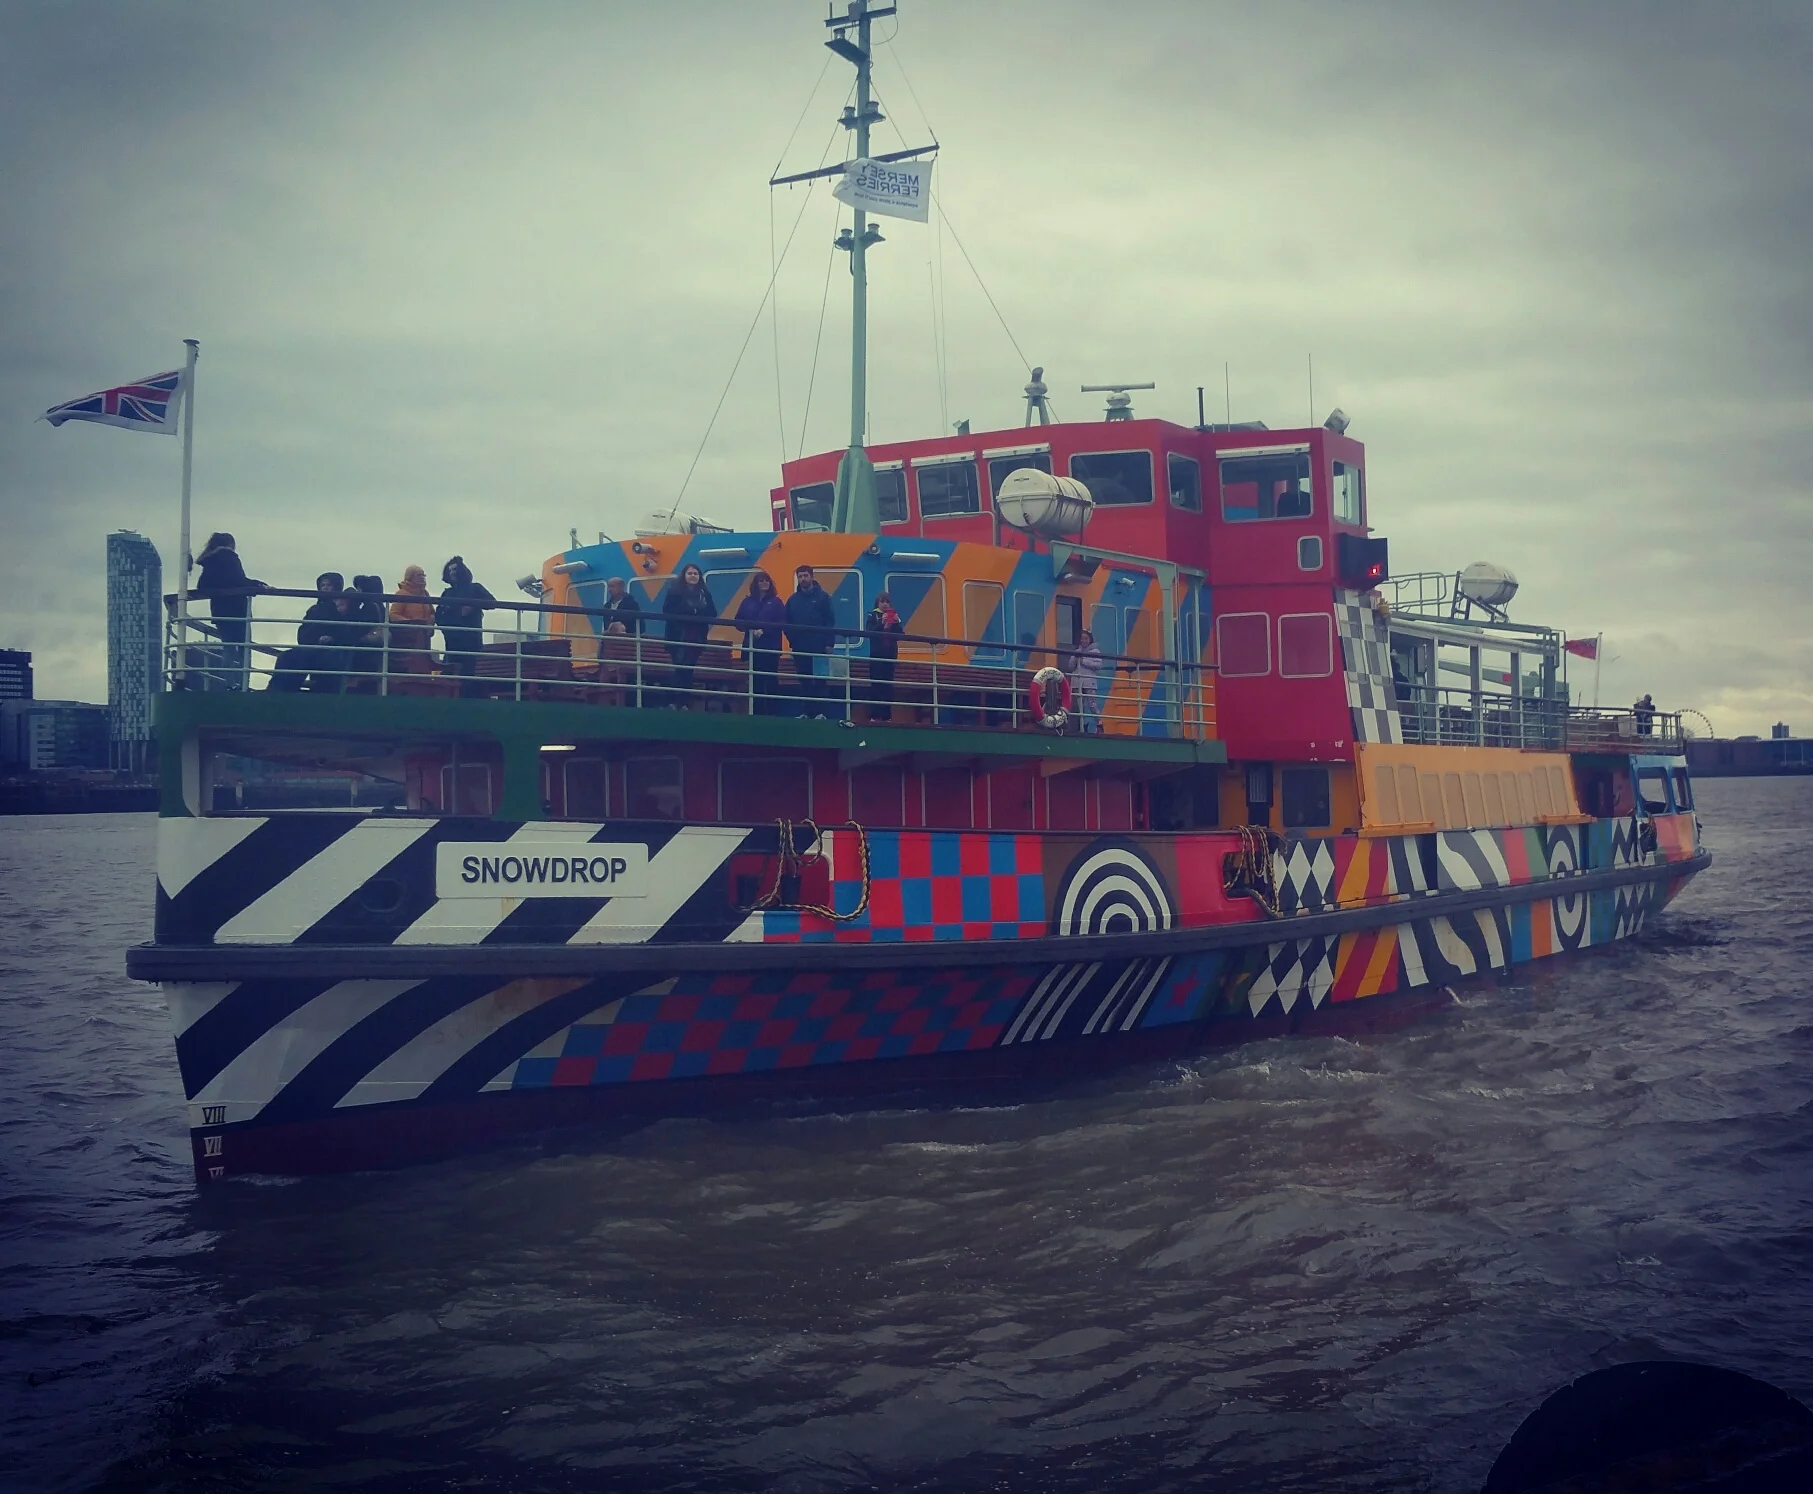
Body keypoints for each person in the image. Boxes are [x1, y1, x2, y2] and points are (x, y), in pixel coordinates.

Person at [192, 532, 267, 689]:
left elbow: (203, 586)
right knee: (244, 649)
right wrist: (257, 585)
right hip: (237, 609)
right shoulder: (230, 557)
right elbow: (238, 580)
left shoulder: (210, 561)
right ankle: (242, 683)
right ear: (231, 544)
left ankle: (230, 683)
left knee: (228, 648)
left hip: (220, 611)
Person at [268, 573, 348, 692]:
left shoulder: (341, 607)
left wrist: (331, 638)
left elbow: (345, 631)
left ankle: (284, 689)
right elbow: (303, 631)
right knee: (286, 656)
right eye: (322, 585)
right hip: (311, 646)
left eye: (329, 585)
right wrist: (313, 640)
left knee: (301, 656)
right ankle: (277, 689)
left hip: (330, 651)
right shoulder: (314, 609)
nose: (325, 588)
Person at [660, 563, 717, 707]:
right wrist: (692, 612)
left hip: (696, 638)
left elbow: (712, 613)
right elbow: (668, 610)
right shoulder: (674, 592)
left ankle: (684, 703)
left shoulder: (705, 593)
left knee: (689, 670)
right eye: (690, 573)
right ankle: (675, 702)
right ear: (684, 576)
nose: (693, 576)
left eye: (696, 573)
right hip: (677, 637)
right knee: (680, 668)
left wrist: (696, 613)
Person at [436, 556, 494, 698]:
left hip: (471, 641)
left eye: (455, 569)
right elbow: (439, 616)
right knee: (450, 673)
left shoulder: (475, 588)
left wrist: (472, 606)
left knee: (468, 675)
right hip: (452, 642)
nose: (452, 573)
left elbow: (492, 602)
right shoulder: (447, 593)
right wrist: (447, 627)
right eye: (450, 570)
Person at [784, 563, 837, 717]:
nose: (803, 579)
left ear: (812, 577)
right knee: (804, 681)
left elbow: (830, 621)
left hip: (819, 647)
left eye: (805, 575)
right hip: (800, 647)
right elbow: (786, 622)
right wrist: (793, 640)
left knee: (820, 681)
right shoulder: (793, 600)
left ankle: (822, 713)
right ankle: (806, 713)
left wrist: (829, 643)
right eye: (800, 576)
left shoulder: (824, 597)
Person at [733, 569, 786, 714]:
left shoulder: (776, 602)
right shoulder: (747, 602)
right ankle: (756, 712)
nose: (764, 583)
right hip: (752, 647)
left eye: (766, 580)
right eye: (761, 581)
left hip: (770, 647)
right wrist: (749, 629)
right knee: (755, 681)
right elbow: (738, 620)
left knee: (770, 680)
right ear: (755, 584)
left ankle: (773, 712)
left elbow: (781, 621)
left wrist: (764, 630)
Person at [863, 591, 905, 722]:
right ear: (878, 603)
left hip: (890, 656)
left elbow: (901, 635)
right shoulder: (872, 615)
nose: (885, 604)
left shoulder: (893, 616)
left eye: (887, 602)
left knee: (888, 686)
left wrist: (897, 623)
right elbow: (869, 632)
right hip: (876, 656)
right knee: (876, 685)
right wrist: (881, 622)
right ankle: (874, 715)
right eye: (882, 601)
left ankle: (887, 716)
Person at [387, 565, 436, 674]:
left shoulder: (425, 594)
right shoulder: (402, 594)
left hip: (424, 638)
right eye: (419, 575)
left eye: (424, 575)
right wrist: (411, 624)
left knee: (424, 660)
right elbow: (393, 614)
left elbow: (432, 612)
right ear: (410, 577)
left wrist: (430, 623)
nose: (422, 578)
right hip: (407, 640)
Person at [1070, 629, 1107, 733]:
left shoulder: (1095, 652)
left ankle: (1099, 723)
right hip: (1077, 681)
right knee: (1079, 706)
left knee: (1092, 704)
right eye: (1082, 638)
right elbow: (1070, 666)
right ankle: (1082, 727)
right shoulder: (1077, 651)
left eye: (1086, 638)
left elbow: (1098, 665)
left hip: (1089, 682)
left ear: (1090, 639)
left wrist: (1083, 661)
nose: (1083, 641)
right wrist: (1075, 658)